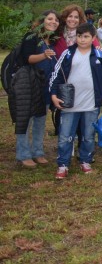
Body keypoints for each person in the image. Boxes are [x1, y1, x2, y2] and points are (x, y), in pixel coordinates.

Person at [50, 23, 102, 179]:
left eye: (86, 36)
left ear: (93, 38)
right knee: (66, 135)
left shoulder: (100, 56)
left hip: (91, 104)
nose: (82, 39)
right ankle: (63, 164)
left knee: (88, 135)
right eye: (79, 36)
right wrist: (53, 95)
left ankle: (85, 160)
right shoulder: (68, 54)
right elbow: (56, 76)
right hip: (70, 103)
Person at [14, 10, 61, 168]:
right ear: (42, 21)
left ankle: (38, 152)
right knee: (25, 121)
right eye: (49, 19)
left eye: (56, 20)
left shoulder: (53, 41)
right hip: (29, 85)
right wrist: (43, 55)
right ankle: (23, 154)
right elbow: (26, 58)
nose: (53, 22)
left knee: (40, 121)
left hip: (45, 87)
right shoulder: (32, 37)